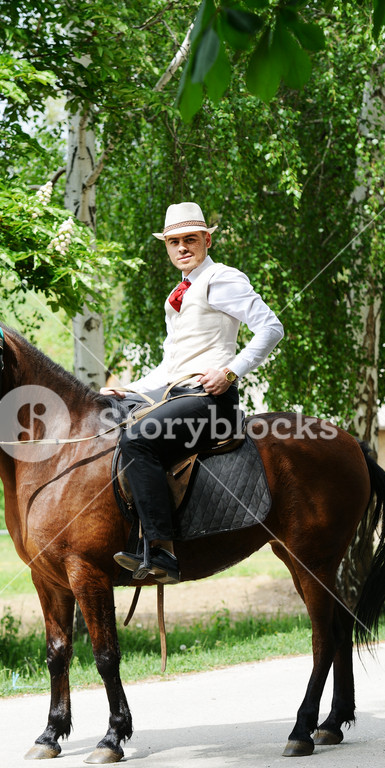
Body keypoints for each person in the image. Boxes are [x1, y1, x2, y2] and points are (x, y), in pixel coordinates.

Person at [101, 201, 284, 583]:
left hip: (210, 401)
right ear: (166, 247)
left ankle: (163, 552)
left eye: (190, 240)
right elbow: (170, 367)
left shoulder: (222, 278)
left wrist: (231, 372)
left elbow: (271, 328)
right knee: (117, 429)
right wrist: (127, 389)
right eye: (174, 243)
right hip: (178, 394)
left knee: (138, 441)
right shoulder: (179, 293)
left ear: (207, 239)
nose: (182, 248)